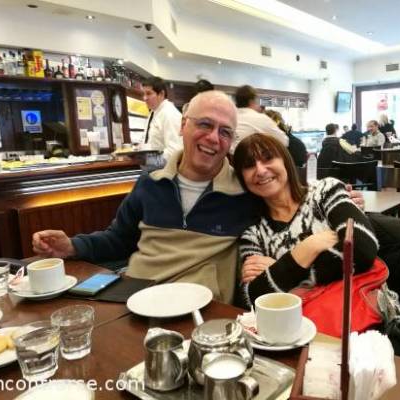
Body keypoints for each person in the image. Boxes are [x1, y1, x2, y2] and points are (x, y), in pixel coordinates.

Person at [32, 91, 365, 304]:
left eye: (224, 132)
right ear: (183, 126)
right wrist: (72, 246)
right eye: (204, 125)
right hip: (133, 296)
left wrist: (336, 199)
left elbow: (288, 204)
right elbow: (119, 239)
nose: (213, 138)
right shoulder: (150, 182)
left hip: (202, 309)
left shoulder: (244, 189)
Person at [233, 133, 378, 306]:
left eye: (268, 158)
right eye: (249, 165)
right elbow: (250, 298)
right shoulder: (253, 233)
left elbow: (362, 247)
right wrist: (308, 247)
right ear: (242, 177)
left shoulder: (325, 191)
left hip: (364, 312)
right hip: (302, 328)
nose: (261, 170)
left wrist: (280, 269)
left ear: (285, 161)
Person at [231, 85, 288, 154]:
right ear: (251, 101)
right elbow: (284, 141)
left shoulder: (229, 117)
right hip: (249, 161)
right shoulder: (260, 118)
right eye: (256, 100)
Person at [142, 76, 183, 161]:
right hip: (152, 169)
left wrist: (149, 161)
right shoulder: (154, 113)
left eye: (149, 93)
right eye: (144, 94)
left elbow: (175, 151)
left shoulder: (170, 114)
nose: (144, 98)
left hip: (164, 171)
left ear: (161, 94)